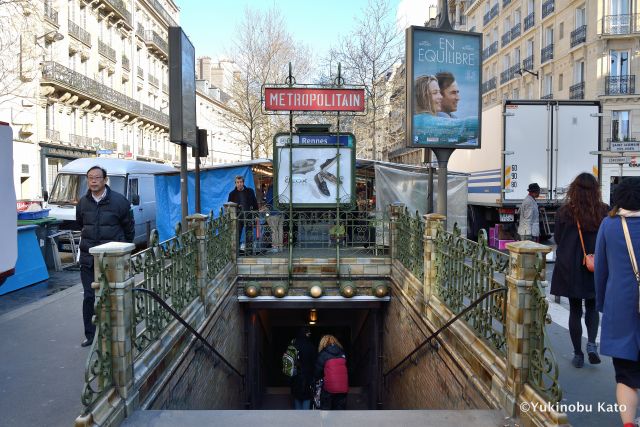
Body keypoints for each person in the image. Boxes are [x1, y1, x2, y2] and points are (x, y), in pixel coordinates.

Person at [595, 177, 640, 427]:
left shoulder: (609, 226)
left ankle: (628, 424)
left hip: (621, 309)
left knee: (626, 375)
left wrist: (603, 305)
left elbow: (601, 270)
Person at [550, 173, 608, 368]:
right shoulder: (603, 211)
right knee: (592, 306)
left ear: (573, 189)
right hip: (595, 265)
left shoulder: (565, 212)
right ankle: (592, 343)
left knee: (575, 310)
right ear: (595, 190)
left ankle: (577, 354)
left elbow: (558, 238)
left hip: (570, 267)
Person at [76, 166, 134, 347]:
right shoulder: (83, 203)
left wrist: (121, 252)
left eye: (97, 178)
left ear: (105, 179)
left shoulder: (120, 202)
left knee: (114, 296)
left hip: (112, 260)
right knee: (89, 297)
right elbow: (81, 225)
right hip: (89, 259)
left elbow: (129, 230)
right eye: (90, 178)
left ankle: (118, 333)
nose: (93, 181)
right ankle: (91, 335)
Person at [413, 75, 478, 145]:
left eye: (439, 92)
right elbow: (463, 126)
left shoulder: (417, 120)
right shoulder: (422, 122)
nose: (440, 97)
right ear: (423, 97)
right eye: (435, 93)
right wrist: (486, 120)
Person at [315, 334, 348, 410]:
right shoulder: (342, 353)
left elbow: (317, 371)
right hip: (343, 387)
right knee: (340, 410)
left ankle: (327, 421)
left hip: (329, 387)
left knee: (326, 409)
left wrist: (316, 379)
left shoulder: (323, 354)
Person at [227, 175, 258, 252]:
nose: (239, 184)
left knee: (249, 233)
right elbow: (229, 206)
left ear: (243, 182)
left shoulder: (250, 191)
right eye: (238, 182)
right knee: (237, 233)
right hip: (238, 217)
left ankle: (249, 250)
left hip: (249, 215)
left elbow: (255, 203)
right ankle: (236, 251)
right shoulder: (232, 194)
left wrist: (256, 215)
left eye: (241, 182)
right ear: (235, 183)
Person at [290, 327, 316, 409]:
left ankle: (298, 418)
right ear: (305, 334)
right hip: (307, 376)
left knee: (297, 397)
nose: (309, 335)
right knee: (307, 397)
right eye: (308, 333)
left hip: (295, 375)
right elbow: (314, 362)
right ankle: (305, 418)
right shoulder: (310, 345)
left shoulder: (293, 345)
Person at [264, 184, 283, 253]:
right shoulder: (280, 186)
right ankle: (280, 247)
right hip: (281, 212)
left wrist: (264, 209)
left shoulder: (271, 188)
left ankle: (275, 247)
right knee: (280, 230)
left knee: (274, 230)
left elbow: (269, 201)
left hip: (273, 212)